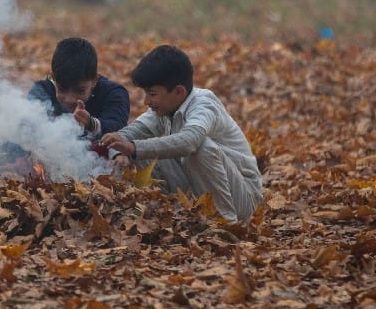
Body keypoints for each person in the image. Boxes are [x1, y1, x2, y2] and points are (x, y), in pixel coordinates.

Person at [99, 44, 263, 222]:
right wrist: (118, 151)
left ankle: (225, 224)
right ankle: (166, 215)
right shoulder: (165, 108)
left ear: (179, 91)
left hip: (243, 199)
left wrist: (132, 148)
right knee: (142, 149)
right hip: (199, 187)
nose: (147, 101)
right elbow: (132, 133)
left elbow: (189, 141)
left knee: (200, 147)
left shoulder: (204, 105)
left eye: (152, 94)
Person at [27, 37, 130, 146]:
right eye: (62, 88)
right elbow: (23, 128)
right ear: (53, 77)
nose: (70, 99)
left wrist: (91, 124)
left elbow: (119, 129)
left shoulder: (113, 93)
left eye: (80, 90)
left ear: (95, 80)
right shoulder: (42, 91)